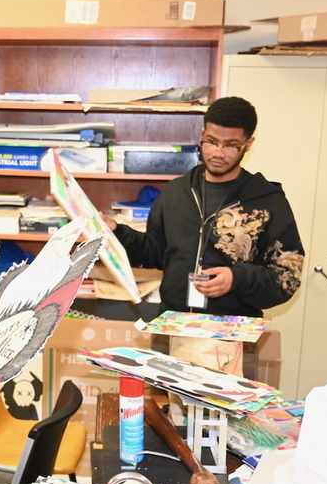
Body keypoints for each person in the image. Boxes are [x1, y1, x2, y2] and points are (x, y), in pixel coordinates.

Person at [103, 96, 305, 319]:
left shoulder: (267, 202)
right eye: (211, 141)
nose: (218, 153)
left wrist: (237, 279)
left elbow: (288, 276)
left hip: (231, 330)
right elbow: (157, 253)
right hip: (172, 323)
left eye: (231, 145)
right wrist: (117, 232)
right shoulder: (176, 192)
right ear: (202, 134)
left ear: (248, 144)